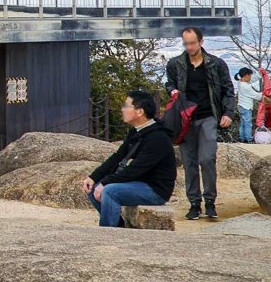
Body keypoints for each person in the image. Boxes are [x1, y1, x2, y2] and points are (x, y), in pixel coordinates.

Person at [165, 27, 237, 220]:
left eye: (192, 43)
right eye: (186, 43)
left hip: (208, 116)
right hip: (185, 119)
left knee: (207, 159)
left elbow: (228, 90)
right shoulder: (175, 64)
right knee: (189, 162)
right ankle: (194, 203)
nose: (189, 47)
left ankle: (210, 201)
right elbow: (170, 83)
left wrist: (228, 113)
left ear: (201, 42)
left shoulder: (216, 64)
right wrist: (172, 90)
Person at [83, 90, 176, 228]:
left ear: (140, 112)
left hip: (155, 190)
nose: (122, 109)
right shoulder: (136, 131)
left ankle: (108, 232)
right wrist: (94, 177)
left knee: (109, 191)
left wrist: (106, 182)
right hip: (139, 183)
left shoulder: (157, 138)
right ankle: (118, 226)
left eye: (126, 106)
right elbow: (117, 157)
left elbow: (135, 169)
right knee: (92, 187)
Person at [235, 67, 262, 143]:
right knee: (247, 123)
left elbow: (251, 80)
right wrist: (265, 93)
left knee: (243, 123)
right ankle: (249, 139)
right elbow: (256, 95)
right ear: (246, 75)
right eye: (250, 75)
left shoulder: (240, 82)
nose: (250, 77)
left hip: (241, 105)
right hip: (246, 107)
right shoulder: (246, 86)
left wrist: (259, 74)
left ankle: (242, 138)